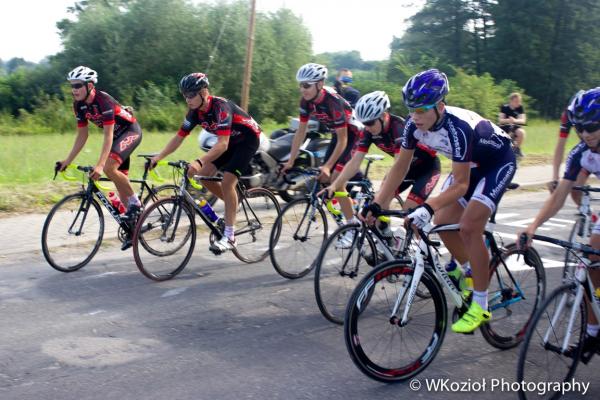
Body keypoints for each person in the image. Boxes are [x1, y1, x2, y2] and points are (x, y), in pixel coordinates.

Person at [361, 69, 516, 333]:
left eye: (421, 110)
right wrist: (377, 203)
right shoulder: (413, 126)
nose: (415, 116)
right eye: (411, 110)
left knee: (469, 227)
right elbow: (400, 167)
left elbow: (461, 184)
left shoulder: (458, 128)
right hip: (470, 166)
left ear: (440, 106)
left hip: (497, 163)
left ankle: (480, 305)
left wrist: (428, 206)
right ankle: (469, 271)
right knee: (443, 224)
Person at [520, 87, 600, 360]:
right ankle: (593, 333)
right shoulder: (581, 152)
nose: (585, 134)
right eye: (580, 128)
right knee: (590, 263)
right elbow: (559, 196)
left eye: (592, 127)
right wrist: (533, 226)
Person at [150, 73, 261, 253]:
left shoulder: (221, 108)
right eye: (185, 95)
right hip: (231, 141)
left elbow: (222, 144)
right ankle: (233, 204)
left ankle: (230, 237)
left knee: (227, 182)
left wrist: (199, 161)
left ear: (204, 92)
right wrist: (158, 157)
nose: (188, 99)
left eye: (191, 94)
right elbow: (179, 137)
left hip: (247, 141)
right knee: (203, 176)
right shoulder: (194, 112)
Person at [321, 91, 441, 246]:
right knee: (378, 205)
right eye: (364, 123)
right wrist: (334, 185)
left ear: (384, 116)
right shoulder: (368, 132)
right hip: (405, 169)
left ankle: (422, 250)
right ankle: (385, 237)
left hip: (427, 168)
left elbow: (399, 165)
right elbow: (355, 161)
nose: (367, 127)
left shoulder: (399, 128)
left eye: (370, 122)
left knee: (410, 214)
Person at [58, 66, 143, 250]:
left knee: (109, 168)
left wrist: (100, 165)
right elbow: (82, 135)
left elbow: (108, 135)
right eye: (72, 86)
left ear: (89, 86)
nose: (74, 90)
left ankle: (137, 205)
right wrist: (67, 161)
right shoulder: (78, 105)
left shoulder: (103, 101)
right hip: (117, 139)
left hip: (130, 132)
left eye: (78, 85)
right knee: (120, 185)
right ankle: (134, 230)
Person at [282, 63, 361, 218]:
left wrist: (328, 166)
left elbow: (344, 139)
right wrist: (290, 161)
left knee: (336, 179)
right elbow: (300, 132)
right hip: (337, 136)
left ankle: (352, 224)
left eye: (306, 85)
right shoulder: (305, 101)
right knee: (323, 179)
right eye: (301, 85)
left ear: (320, 84)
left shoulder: (333, 102)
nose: (302, 89)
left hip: (354, 136)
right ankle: (347, 212)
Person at [549, 102, 588, 205]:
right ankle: (586, 212)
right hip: (587, 148)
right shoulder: (568, 113)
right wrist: (555, 177)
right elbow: (561, 145)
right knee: (575, 189)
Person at [498, 92, 527, 159]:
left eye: (519, 101)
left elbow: (523, 120)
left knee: (522, 132)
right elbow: (500, 120)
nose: (518, 103)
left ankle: (517, 150)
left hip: (516, 127)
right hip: (505, 127)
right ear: (511, 101)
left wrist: (515, 120)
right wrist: (508, 120)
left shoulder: (520, 107)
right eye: (516, 101)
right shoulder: (504, 107)